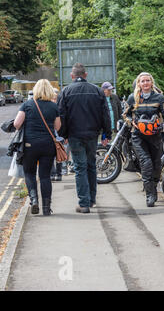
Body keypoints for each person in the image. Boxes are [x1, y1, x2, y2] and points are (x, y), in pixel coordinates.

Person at [57, 63, 112, 214]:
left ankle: (84, 203)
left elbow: (62, 115)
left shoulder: (66, 91)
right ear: (86, 75)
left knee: (80, 168)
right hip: (92, 135)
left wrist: (64, 135)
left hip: (74, 136)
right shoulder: (97, 91)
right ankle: (92, 200)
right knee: (91, 165)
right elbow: (105, 115)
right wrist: (107, 134)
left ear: (72, 76)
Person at [122, 72, 164, 207]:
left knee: (156, 164)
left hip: (155, 136)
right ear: (139, 83)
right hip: (138, 135)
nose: (145, 83)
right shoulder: (133, 98)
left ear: (151, 82)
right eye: (142, 81)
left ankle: (153, 187)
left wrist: (162, 126)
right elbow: (125, 114)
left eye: (147, 81)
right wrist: (132, 122)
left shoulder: (159, 98)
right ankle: (150, 195)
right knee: (146, 163)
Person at [13, 79, 61, 216]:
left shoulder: (27, 105)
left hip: (29, 145)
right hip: (48, 145)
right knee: (45, 176)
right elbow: (57, 127)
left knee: (29, 173)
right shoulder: (54, 107)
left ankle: (34, 200)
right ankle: (46, 208)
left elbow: (17, 124)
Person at [50, 88, 64, 181]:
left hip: (60, 137)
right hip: (50, 137)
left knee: (59, 157)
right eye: (52, 98)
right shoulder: (49, 108)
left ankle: (59, 174)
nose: (54, 100)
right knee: (50, 157)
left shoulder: (61, 109)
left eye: (56, 98)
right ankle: (52, 174)